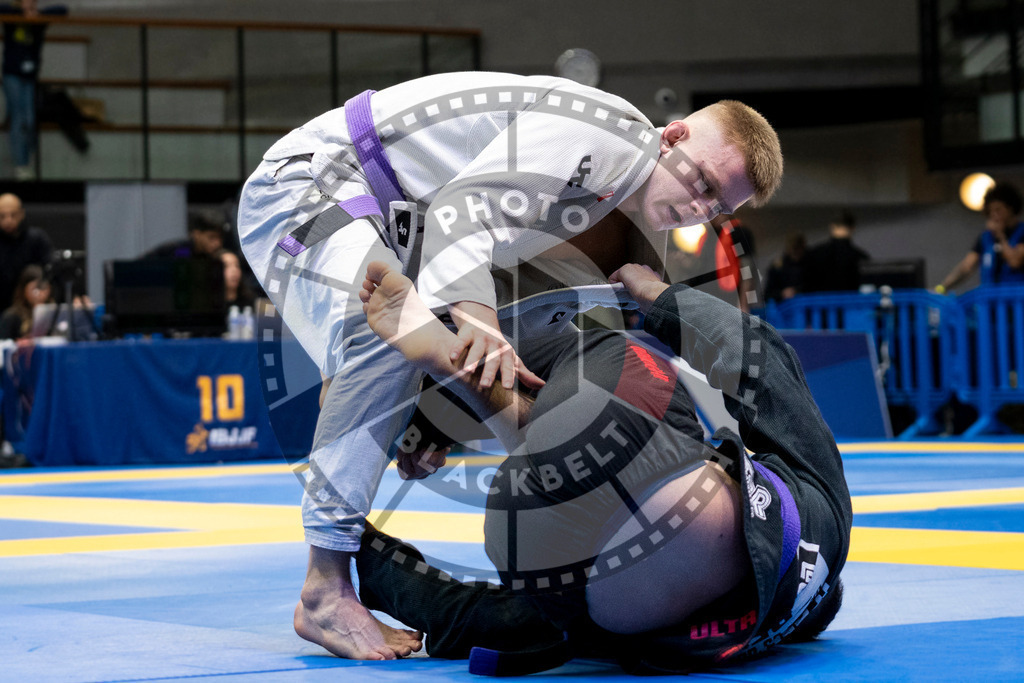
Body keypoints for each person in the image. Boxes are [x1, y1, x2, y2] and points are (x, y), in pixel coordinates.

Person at [236, 70, 783, 660]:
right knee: (387, 338)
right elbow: (461, 210)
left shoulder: (624, 213)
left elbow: (521, 296)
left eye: (715, 206)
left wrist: (438, 408)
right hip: (314, 185)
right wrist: (478, 325)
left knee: (529, 341)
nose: (695, 208)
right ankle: (324, 589)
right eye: (700, 182)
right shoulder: (606, 137)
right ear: (672, 137)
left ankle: (429, 412)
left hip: (401, 224)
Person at [353, 259, 851, 674]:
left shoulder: (826, 520)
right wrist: (361, 548)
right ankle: (455, 380)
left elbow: (759, 358)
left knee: (603, 358)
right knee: (558, 472)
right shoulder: (712, 639)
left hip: (634, 449)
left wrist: (656, 296)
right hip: (540, 558)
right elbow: (463, 616)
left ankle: (462, 357)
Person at [0, 0, 67, 180]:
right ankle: (20, 165)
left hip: (29, 77)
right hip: (12, 75)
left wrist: (37, 14)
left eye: (32, 5)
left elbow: (62, 9)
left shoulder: (39, 22)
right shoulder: (12, 18)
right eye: (25, 5)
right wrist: (19, 13)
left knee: (30, 118)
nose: (29, 9)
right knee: (18, 116)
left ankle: (27, 160)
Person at [937, 182, 1024, 293]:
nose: (994, 215)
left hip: (1017, 302)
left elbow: (1015, 261)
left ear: (1011, 209)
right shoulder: (986, 237)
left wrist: (1000, 236)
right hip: (990, 303)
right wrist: (942, 287)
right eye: (990, 211)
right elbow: (966, 267)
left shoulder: (1021, 232)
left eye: (998, 210)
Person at [0, 192, 52, 309]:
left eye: (13, 215)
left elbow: (49, 271)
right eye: (2, 216)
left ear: (21, 214)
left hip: (32, 307)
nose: (8, 220)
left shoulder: (37, 239)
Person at [801, 209, 869, 293]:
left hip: (819, 304)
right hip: (850, 304)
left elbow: (805, 286)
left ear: (832, 226)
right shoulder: (860, 258)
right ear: (853, 228)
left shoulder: (814, 254)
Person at [143, 209, 225, 261]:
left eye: (220, 237)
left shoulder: (218, 255)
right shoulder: (182, 251)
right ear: (197, 234)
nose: (218, 243)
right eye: (212, 237)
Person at [0, 262, 47, 338]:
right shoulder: (12, 316)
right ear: (23, 289)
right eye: (35, 289)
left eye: (43, 288)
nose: (39, 294)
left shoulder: (51, 313)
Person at [764, 231, 806, 302]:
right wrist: (782, 294)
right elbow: (767, 294)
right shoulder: (778, 267)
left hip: (805, 305)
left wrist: (797, 290)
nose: (797, 252)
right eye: (794, 248)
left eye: (799, 248)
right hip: (784, 308)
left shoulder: (809, 264)